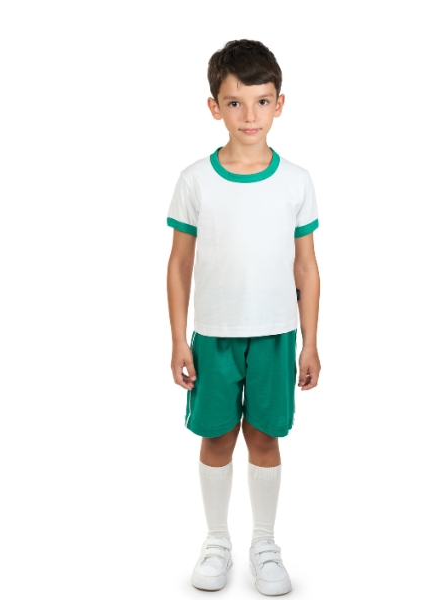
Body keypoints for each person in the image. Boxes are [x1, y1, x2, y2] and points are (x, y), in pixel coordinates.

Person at [166, 39, 321, 596]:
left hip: (277, 335)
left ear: (280, 104)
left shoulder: (296, 180)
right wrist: (178, 340)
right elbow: (179, 264)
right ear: (215, 107)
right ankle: (216, 542)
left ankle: (264, 543)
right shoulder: (195, 180)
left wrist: (310, 342)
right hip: (214, 336)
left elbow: (306, 266)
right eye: (235, 102)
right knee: (216, 438)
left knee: (264, 437)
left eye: (261, 101)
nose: (249, 115)